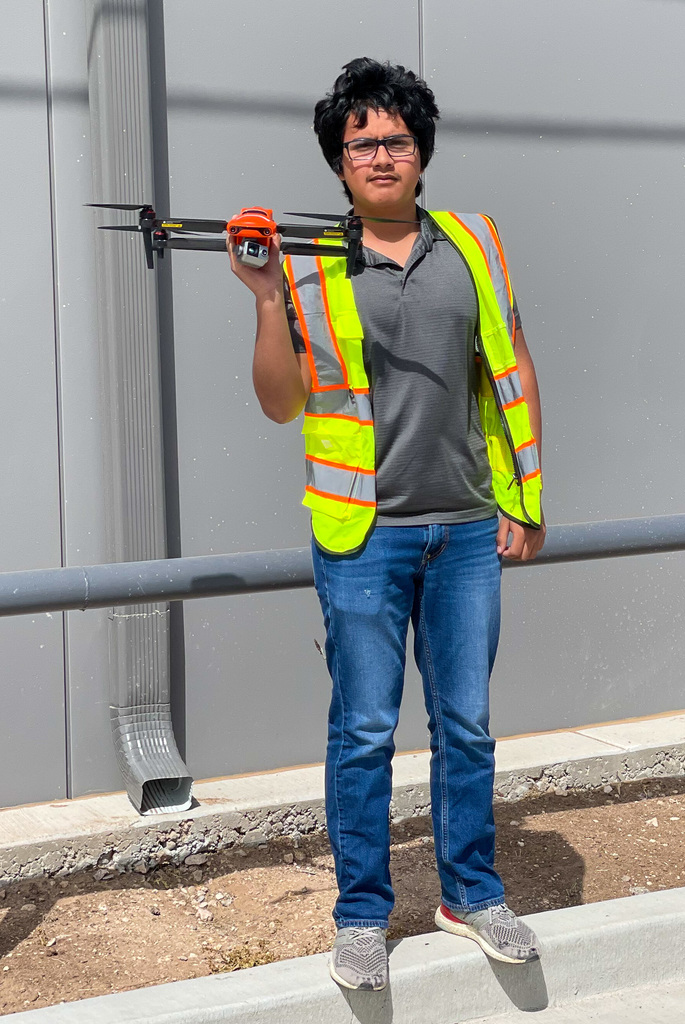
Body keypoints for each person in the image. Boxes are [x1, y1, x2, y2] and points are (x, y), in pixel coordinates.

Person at [228, 57, 546, 992]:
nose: (379, 154)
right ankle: (362, 914)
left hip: (467, 530)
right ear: (338, 161)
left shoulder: (477, 242)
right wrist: (263, 303)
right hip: (362, 535)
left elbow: (513, 366)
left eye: (395, 139)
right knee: (363, 729)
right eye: (360, 141)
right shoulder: (313, 262)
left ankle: (470, 892)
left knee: (469, 724)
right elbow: (280, 403)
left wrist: (525, 502)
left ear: (421, 152)